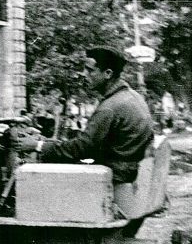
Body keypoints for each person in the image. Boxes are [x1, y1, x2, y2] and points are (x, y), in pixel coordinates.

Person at [15, 46, 154, 184]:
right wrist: (45, 142)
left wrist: (37, 146)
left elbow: (81, 149)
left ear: (108, 73)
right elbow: (89, 144)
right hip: (127, 170)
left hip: (116, 175)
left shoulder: (109, 107)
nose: (84, 74)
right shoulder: (131, 96)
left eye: (90, 70)